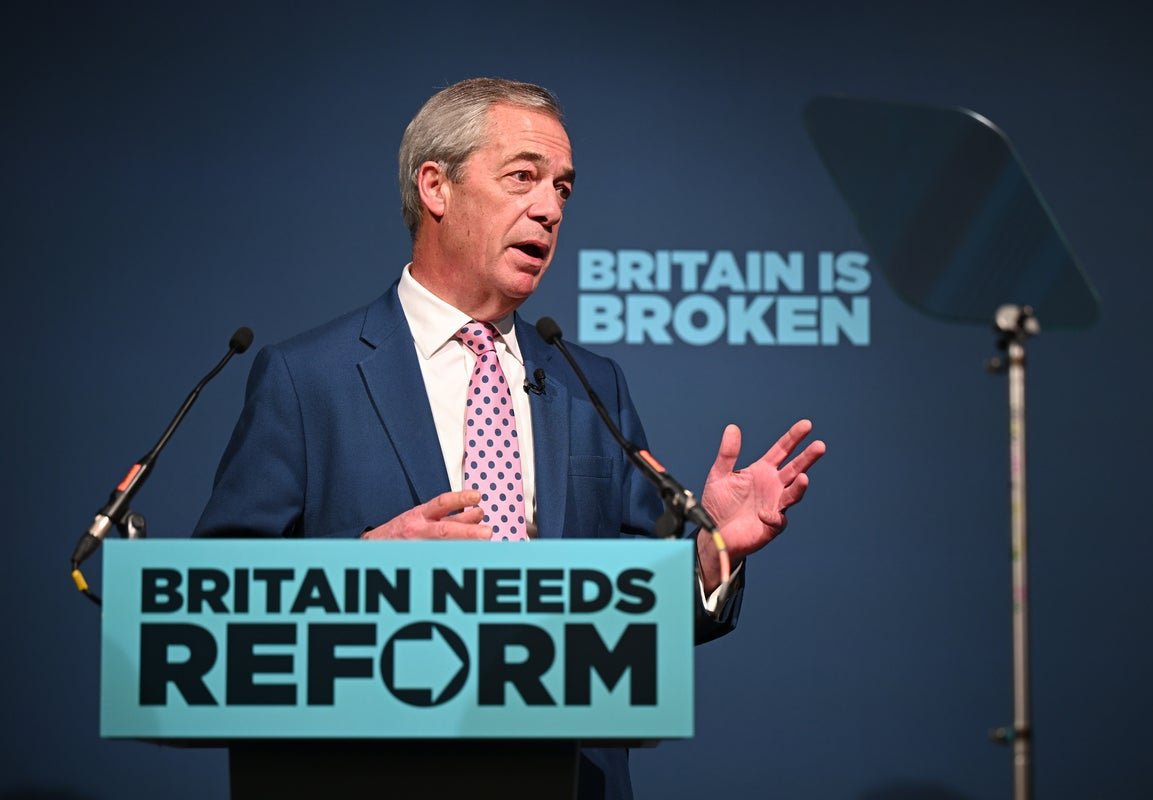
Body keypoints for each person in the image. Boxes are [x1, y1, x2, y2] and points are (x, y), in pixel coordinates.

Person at [195, 77, 825, 800]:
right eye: (523, 177)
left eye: (562, 188)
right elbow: (218, 609)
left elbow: (631, 614)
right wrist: (358, 569)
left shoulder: (592, 383)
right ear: (435, 186)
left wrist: (711, 553)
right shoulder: (308, 377)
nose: (549, 209)